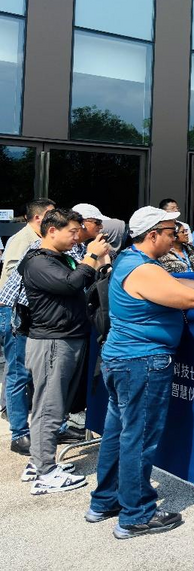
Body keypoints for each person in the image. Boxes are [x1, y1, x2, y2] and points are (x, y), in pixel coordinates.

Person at [87, 206, 194, 538]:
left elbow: (185, 292)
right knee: (138, 437)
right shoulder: (143, 269)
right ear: (153, 235)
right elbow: (185, 300)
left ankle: (105, 501)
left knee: (119, 432)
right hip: (142, 364)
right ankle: (136, 514)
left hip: (125, 361)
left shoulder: (132, 261)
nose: (176, 235)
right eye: (170, 230)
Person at [19, 208, 111, 493]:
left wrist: (100, 262)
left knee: (55, 405)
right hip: (52, 342)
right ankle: (45, 472)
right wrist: (91, 256)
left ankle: (39, 460)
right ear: (51, 231)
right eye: (72, 231)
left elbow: (85, 283)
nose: (77, 237)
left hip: (67, 338)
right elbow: (71, 284)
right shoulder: (37, 261)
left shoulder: (61, 258)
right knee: (49, 406)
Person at [0, 196, 54, 455]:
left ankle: (51, 427)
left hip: (34, 314)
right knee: (18, 373)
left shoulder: (42, 239)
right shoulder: (22, 240)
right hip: (16, 314)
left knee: (37, 372)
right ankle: (19, 433)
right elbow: (12, 278)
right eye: (52, 215)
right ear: (38, 218)